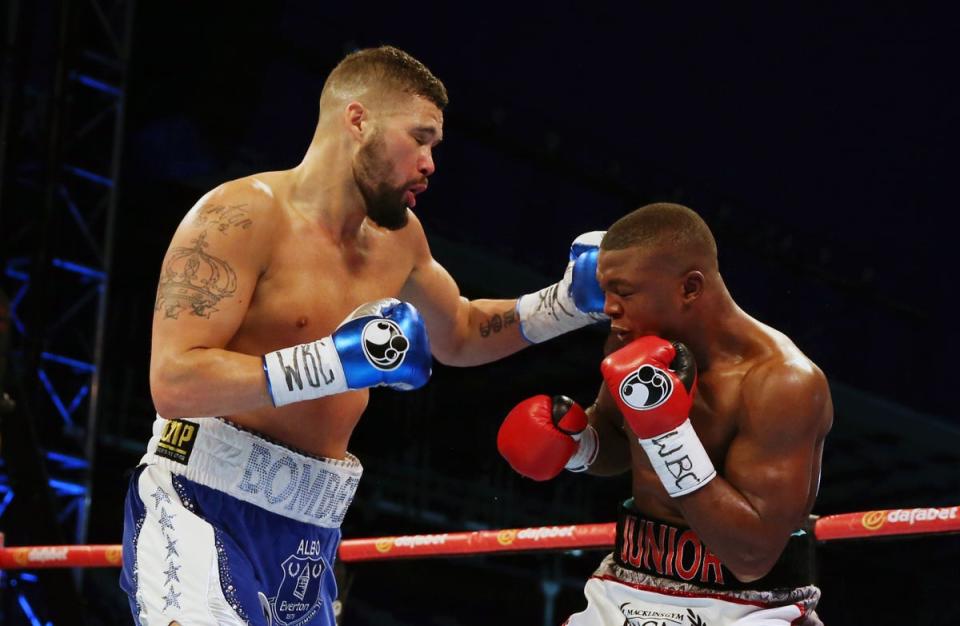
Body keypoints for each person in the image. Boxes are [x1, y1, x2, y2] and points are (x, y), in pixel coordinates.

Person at [120, 45, 605, 626]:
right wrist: (331, 363)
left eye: (435, 146)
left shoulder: (400, 240)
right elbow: (174, 381)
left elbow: (462, 332)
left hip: (312, 527)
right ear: (358, 120)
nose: (430, 163)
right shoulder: (240, 215)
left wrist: (567, 303)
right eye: (419, 138)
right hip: (203, 503)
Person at [498, 203, 833, 625]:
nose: (608, 307)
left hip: (747, 606)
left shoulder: (782, 383)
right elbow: (619, 441)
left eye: (624, 292)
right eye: (606, 291)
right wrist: (577, 446)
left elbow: (752, 554)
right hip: (628, 584)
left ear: (690, 288)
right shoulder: (633, 342)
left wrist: (668, 435)